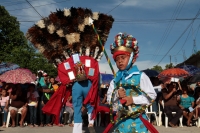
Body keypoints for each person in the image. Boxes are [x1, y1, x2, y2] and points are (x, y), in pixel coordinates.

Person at [106, 33, 157, 133]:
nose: (120, 61)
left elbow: (151, 96)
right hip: (120, 123)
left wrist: (133, 99)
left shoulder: (141, 76)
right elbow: (109, 101)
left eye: (123, 58)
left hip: (138, 122)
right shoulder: (115, 80)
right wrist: (116, 94)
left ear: (132, 59)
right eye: (117, 59)